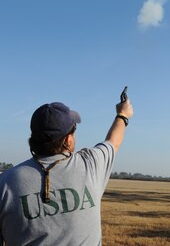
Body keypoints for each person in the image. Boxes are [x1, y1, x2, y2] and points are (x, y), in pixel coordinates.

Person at [0, 92, 133, 246]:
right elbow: (113, 142)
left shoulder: (5, 182)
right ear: (68, 140)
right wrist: (123, 114)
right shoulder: (90, 164)